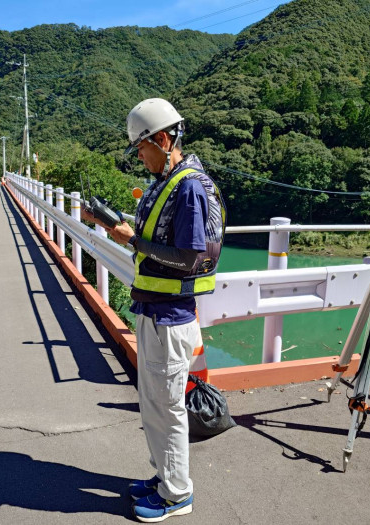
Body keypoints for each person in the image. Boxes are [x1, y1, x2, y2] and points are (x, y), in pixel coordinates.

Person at [83, 98, 225, 522]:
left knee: (167, 408)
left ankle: (177, 494)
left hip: (171, 318)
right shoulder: (168, 183)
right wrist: (115, 224)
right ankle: (164, 477)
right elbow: (156, 237)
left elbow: (191, 258)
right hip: (153, 311)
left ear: (163, 139)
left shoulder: (190, 187)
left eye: (142, 148)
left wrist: (131, 240)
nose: (140, 157)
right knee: (154, 404)